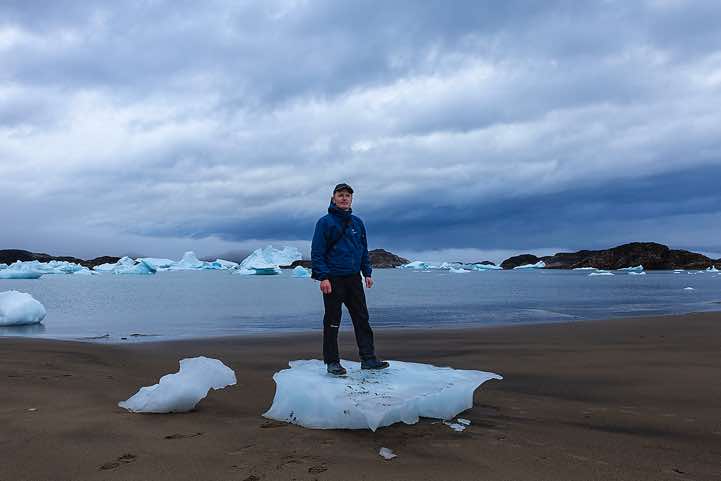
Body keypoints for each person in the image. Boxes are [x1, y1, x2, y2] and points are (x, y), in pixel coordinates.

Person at [311, 183, 389, 376]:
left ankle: (368, 359)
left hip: (354, 278)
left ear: (351, 199)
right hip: (333, 279)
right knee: (332, 321)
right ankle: (332, 362)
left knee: (362, 319)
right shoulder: (325, 222)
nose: (344, 198)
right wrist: (323, 277)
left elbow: (363, 250)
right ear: (333, 198)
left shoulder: (357, 223)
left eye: (347, 195)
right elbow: (317, 252)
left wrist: (367, 273)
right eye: (340, 195)